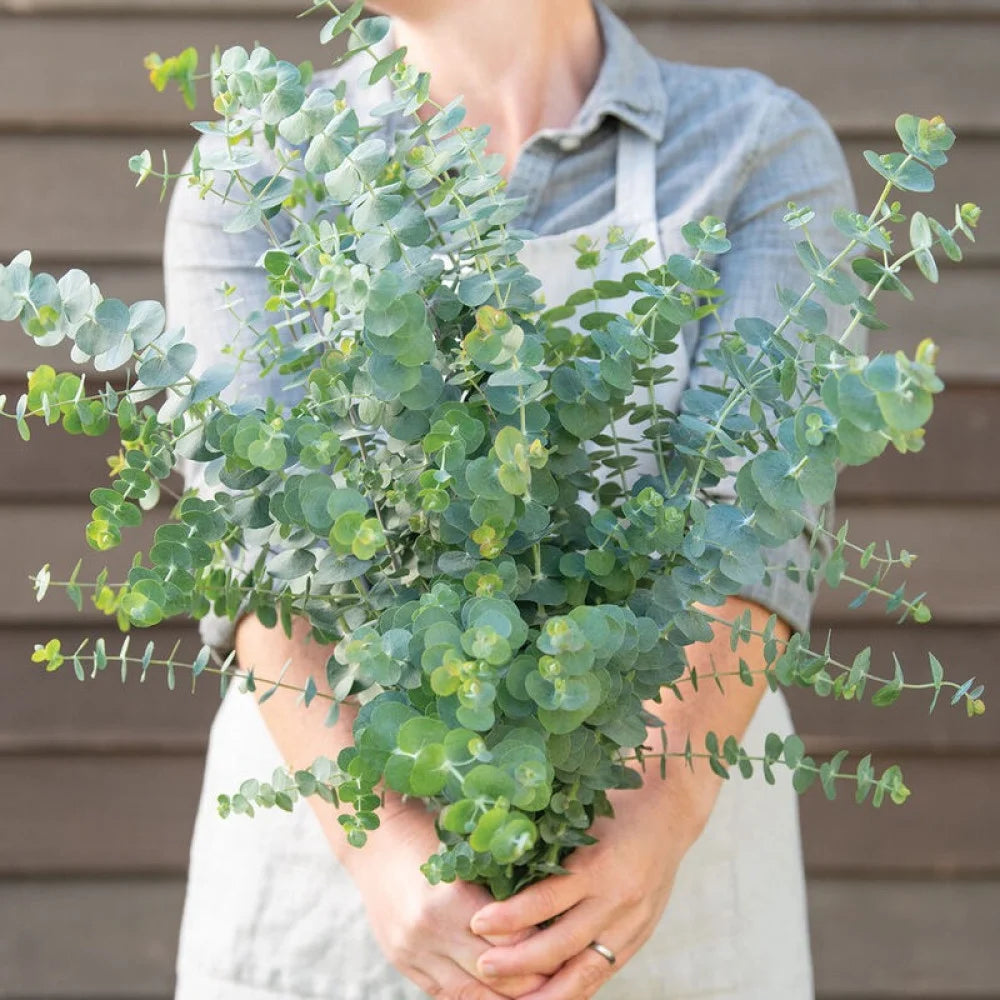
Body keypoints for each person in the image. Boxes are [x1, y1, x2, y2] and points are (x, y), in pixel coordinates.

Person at [164, 2, 857, 997]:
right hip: (339, 876)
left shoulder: (753, 150)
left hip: (662, 882)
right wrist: (384, 849)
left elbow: (753, 530)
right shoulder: (259, 167)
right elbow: (258, 554)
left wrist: (650, 819)